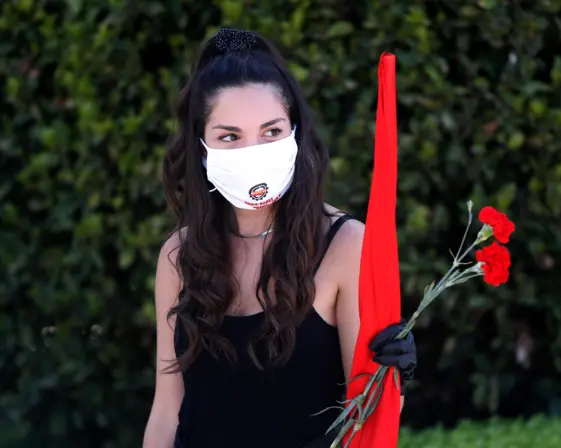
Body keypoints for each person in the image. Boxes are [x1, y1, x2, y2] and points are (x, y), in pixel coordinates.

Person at [142, 28, 417, 448]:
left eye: (271, 132)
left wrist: (390, 372)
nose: (253, 152)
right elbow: (165, 415)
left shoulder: (345, 248)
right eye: (230, 137)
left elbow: (370, 419)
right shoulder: (179, 256)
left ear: (295, 133)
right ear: (202, 148)